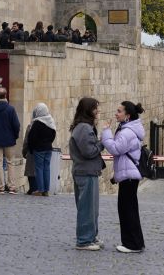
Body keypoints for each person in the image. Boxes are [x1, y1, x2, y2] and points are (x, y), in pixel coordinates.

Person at [101, 101, 146, 254]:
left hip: (129, 176)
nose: (116, 113)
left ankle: (132, 244)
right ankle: (135, 242)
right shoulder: (127, 129)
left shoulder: (127, 132)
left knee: (127, 210)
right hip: (128, 176)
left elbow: (115, 149)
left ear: (127, 115)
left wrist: (106, 132)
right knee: (129, 209)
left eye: (119, 111)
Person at [70, 97, 104, 251]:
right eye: (95, 108)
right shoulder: (84, 128)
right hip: (85, 172)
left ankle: (91, 236)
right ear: (88, 110)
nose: (98, 111)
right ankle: (84, 240)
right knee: (86, 208)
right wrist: (102, 143)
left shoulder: (84, 126)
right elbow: (89, 151)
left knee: (92, 208)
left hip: (87, 171)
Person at [28, 103, 57, 196]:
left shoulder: (37, 123)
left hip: (39, 148)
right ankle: (46, 190)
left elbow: (32, 137)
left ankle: (40, 189)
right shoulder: (50, 121)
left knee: (39, 168)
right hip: (48, 148)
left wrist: (31, 148)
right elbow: (53, 134)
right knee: (46, 168)